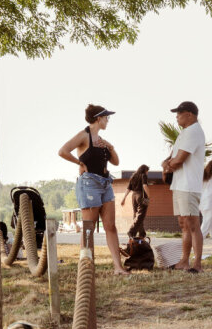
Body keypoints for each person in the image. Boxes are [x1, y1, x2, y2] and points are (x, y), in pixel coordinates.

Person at [58, 104, 128, 275]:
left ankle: (118, 267)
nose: (108, 121)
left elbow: (116, 162)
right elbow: (63, 151)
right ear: (98, 118)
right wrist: (79, 163)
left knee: (110, 226)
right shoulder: (84, 135)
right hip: (89, 184)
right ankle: (86, 269)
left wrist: (110, 147)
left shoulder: (102, 140)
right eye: (106, 118)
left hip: (105, 182)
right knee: (89, 227)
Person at [162, 101, 206, 273]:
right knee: (184, 224)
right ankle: (183, 261)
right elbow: (171, 158)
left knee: (193, 224)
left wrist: (167, 165)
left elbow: (179, 160)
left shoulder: (194, 131)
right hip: (179, 184)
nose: (176, 116)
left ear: (190, 114)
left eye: (179, 113)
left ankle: (197, 265)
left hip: (188, 185)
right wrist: (168, 163)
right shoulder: (185, 133)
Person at [119, 164, 151, 239]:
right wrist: (149, 196)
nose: (147, 173)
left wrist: (124, 198)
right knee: (140, 215)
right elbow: (144, 186)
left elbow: (128, 188)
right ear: (145, 170)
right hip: (141, 196)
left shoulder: (133, 176)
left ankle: (142, 234)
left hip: (133, 196)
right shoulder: (143, 175)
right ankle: (131, 231)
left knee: (136, 215)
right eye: (147, 171)